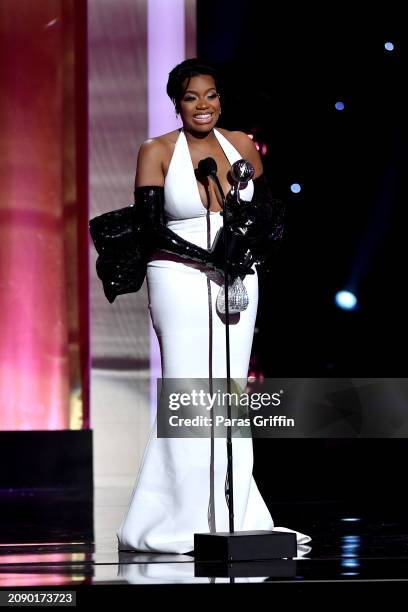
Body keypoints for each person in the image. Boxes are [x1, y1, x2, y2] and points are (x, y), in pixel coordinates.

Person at [117, 58, 310, 554]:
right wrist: (206, 257)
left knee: (228, 389)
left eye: (211, 95)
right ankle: (178, 516)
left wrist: (244, 250)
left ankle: (233, 512)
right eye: (191, 97)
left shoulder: (242, 145)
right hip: (177, 275)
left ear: (220, 99)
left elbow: (269, 213)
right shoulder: (156, 151)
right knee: (188, 387)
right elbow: (149, 227)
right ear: (176, 102)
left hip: (237, 276)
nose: (203, 106)